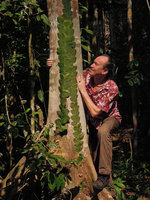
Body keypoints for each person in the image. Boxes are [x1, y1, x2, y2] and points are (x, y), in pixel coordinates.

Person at [47, 55, 122, 195]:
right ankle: (109, 192)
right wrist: (53, 64)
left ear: (104, 71)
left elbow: (95, 113)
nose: (91, 65)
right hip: (92, 124)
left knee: (104, 132)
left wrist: (82, 90)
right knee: (95, 156)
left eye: (96, 64)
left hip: (108, 119)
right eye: (93, 62)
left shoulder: (112, 87)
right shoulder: (87, 76)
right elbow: (68, 72)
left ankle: (105, 175)